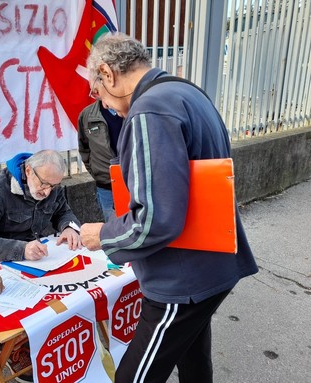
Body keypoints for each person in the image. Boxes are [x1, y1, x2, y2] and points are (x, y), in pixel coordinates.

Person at [80, 32, 259, 383]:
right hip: (212, 265)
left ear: (107, 73)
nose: (101, 101)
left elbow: (154, 220)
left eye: (95, 90)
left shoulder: (149, 110)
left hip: (181, 279)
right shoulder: (187, 92)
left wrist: (102, 234)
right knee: (193, 362)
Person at [0, 150, 82, 383]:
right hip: (3, 265)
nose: (47, 191)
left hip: (39, 262)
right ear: (28, 171)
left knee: (71, 295)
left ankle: (45, 340)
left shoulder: (51, 185)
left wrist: (69, 226)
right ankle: (12, 347)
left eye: (53, 186)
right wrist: (21, 249)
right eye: (44, 184)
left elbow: (63, 212)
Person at [77, 100, 124, 221]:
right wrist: (95, 171)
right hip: (105, 185)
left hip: (132, 183)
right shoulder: (87, 115)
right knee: (111, 226)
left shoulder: (131, 109)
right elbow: (84, 148)